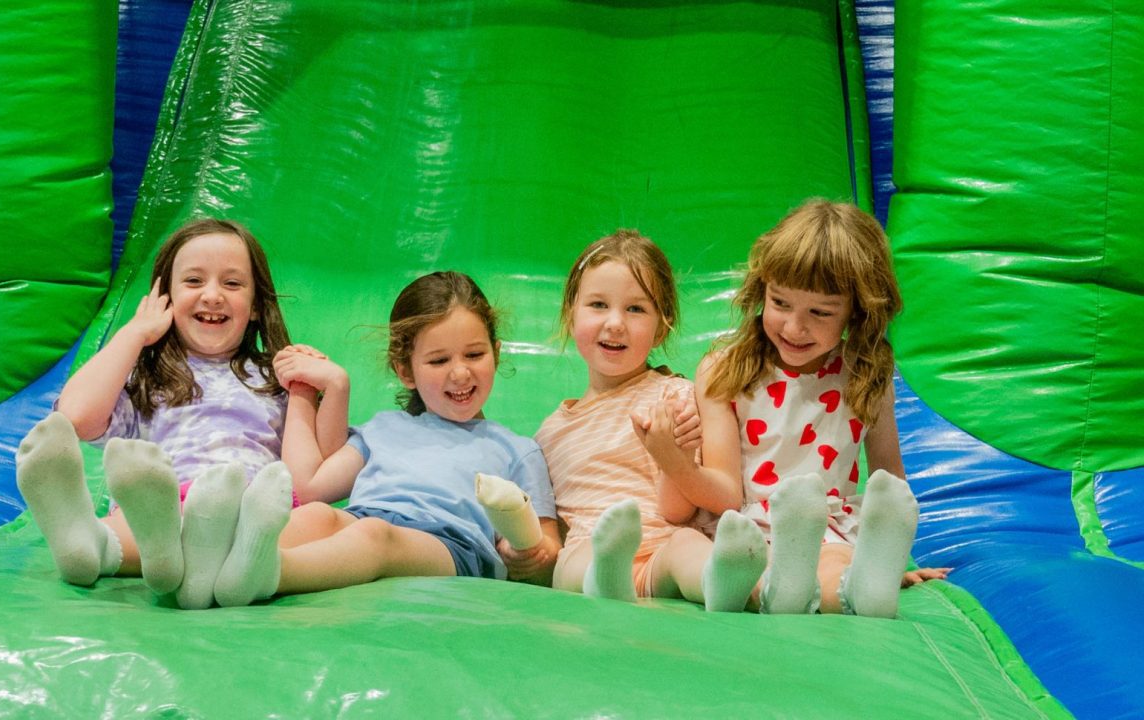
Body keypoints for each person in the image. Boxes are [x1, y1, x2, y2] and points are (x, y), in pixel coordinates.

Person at [15, 218, 349, 610]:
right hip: (162, 507)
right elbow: (77, 417)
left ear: (257, 305)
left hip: (249, 517)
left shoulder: (275, 378)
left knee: (311, 519)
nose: (213, 295)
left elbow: (317, 474)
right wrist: (135, 333)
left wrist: (321, 388)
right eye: (193, 281)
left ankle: (133, 553)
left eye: (232, 283)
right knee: (146, 516)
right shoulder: (146, 375)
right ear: (166, 297)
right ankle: (93, 544)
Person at [203, 271, 559, 608]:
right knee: (318, 516)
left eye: (475, 354)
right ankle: (210, 565)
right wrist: (312, 389)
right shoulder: (384, 429)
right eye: (438, 360)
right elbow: (309, 487)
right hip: (363, 518)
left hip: (453, 545)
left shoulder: (516, 450)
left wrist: (528, 553)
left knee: (375, 536)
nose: (461, 372)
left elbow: (546, 546)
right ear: (405, 370)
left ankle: (267, 572)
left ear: (496, 353)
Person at [683, 199, 950, 618]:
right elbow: (724, 490)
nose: (794, 327)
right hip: (744, 527)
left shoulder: (863, 373)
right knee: (745, 568)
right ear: (761, 289)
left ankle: (860, 591)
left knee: (834, 568)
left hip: (827, 527)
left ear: (857, 311)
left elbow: (889, 481)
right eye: (780, 303)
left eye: (820, 312)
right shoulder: (725, 369)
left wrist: (889, 558)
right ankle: (782, 588)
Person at [518, 229, 768, 611]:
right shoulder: (550, 434)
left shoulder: (673, 398)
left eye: (635, 309)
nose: (615, 323)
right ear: (571, 314)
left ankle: (718, 582)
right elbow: (556, 531)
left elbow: (681, 510)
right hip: (590, 551)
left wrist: (674, 455)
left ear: (661, 328)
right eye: (598, 305)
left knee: (687, 545)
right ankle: (609, 576)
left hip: (658, 549)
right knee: (577, 560)